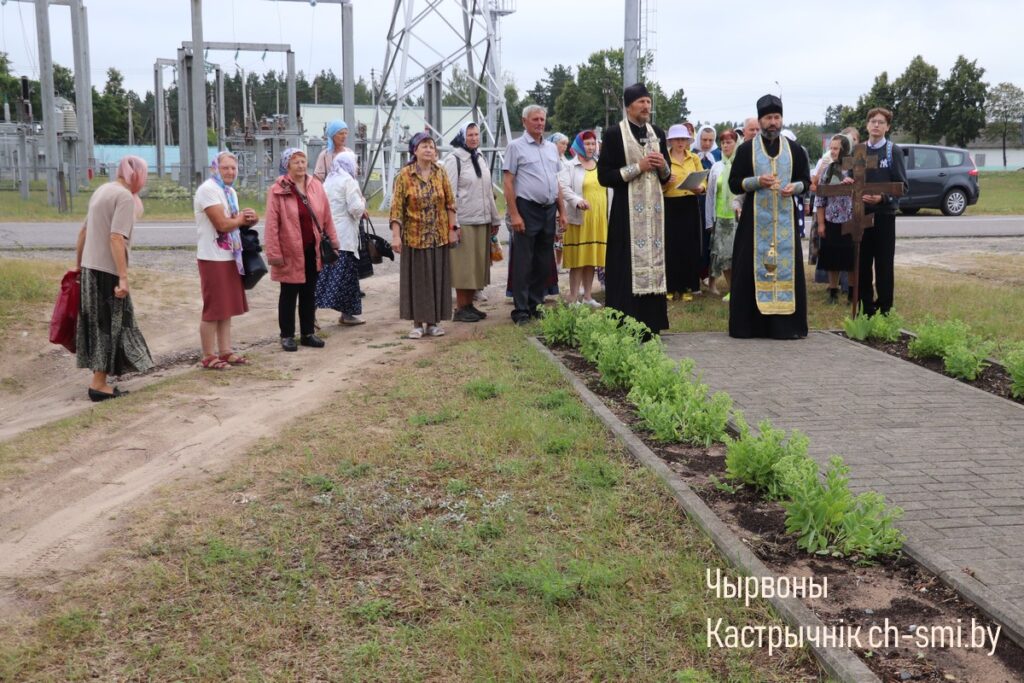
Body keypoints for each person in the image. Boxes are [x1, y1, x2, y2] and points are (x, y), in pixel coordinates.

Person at [727, 94, 810, 339]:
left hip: (785, 222)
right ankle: (749, 326)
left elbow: (806, 181)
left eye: (776, 117)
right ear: (760, 120)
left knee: (787, 269)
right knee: (748, 270)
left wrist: (795, 187)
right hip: (754, 223)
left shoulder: (795, 150)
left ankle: (786, 327)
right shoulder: (746, 150)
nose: (773, 122)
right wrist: (756, 182)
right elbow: (734, 183)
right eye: (768, 118)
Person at [74, 156, 154, 401]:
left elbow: (84, 231)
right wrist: (123, 277)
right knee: (109, 326)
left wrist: (78, 266)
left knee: (98, 325)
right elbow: (116, 237)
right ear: (137, 174)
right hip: (106, 272)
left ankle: (100, 380)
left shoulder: (103, 190)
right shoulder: (124, 197)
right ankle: (98, 384)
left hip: (90, 268)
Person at [597, 83, 671, 336]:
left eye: (648, 102)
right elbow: (604, 176)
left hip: (654, 214)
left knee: (654, 263)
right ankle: (624, 322)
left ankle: (652, 323)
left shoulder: (657, 133)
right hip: (625, 213)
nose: (646, 106)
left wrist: (662, 165)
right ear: (629, 106)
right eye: (641, 102)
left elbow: (667, 175)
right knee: (624, 264)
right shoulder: (613, 134)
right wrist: (638, 167)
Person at [265, 148, 339, 352]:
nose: (300, 165)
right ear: (287, 165)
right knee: (289, 294)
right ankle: (287, 335)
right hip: (289, 250)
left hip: (312, 249)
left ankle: (308, 333)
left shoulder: (316, 185)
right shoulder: (278, 189)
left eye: (303, 161)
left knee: (309, 292)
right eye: (295, 162)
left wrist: (333, 241)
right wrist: (274, 253)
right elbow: (272, 224)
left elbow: (326, 216)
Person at [502, 104, 567, 325]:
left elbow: (556, 182)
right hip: (526, 209)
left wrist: (562, 211)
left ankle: (536, 305)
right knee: (523, 261)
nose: (540, 123)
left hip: (548, 210)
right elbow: (508, 182)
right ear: (524, 121)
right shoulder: (515, 147)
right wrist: (514, 214)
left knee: (543, 260)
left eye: (542, 119)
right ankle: (521, 310)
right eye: (535, 119)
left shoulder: (551, 148)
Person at [194, 151, 259, 370]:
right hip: (212, 256)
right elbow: (222, 224)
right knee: (214, 307)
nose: (230, 172)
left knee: (226, 307)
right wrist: (240, 219)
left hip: (231, 255)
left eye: (233, 168)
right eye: (225, 168)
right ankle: (208, 355)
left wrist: (249, 220)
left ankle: (225, 350)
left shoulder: (229, 191)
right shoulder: (208, 190)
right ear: (215, 168)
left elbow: (234, 223)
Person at [390, 132, 457, 338]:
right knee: (418, 281)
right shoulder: (405, 175)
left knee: (437, 279)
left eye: (431, 146)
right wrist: (396, 236)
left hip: (438, 236)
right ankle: (418, 324)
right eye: (424, 146)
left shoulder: (440, 172)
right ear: (415, 150)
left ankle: (434, 323)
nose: (429, 150)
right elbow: (396, 209)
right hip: (415, 237)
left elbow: (450, 203)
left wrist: (452, 230)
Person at [443, 122, 501, 322]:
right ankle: (460, 308)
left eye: (476, 134)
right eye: (470, 135)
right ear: (462, 137)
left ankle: (469, 305)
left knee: (476, 265)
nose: (474, 138)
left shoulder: (479, 157)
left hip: (482, 219)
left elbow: (488, 190)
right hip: (465, 220)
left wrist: (494, 218)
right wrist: (454, 224)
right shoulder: (454, 159)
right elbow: (449, 194)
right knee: (464, 266)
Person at [859, 107, 908, 316]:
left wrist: (882, 198)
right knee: (862, 263)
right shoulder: (859, 150)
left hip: (884, 215)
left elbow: (902, 186)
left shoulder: (892, 151)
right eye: (873, 121)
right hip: (861, 215)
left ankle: (885, 309)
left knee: (884, 264)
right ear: (867, 125)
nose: (876, 125)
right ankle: (865, 308)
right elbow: (852, 176)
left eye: (881, 122)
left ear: (887, 127)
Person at [315, 151, 366, 325]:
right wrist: (363, 202)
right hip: (344, 237)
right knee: (335, 278)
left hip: (329, 236)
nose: (357, 167)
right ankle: (313, 312)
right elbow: (355, 209)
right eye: (355, 163)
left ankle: (347, 314)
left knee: (339, 277)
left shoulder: (328, 181)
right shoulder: (349, 181)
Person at [560, 130, 607, 307]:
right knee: (578, 260)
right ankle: (573, 297)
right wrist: (577, 201)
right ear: (580, 145)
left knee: (591, 259)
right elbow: (563, 187)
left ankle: (587, 296)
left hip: (598, 219)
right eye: (587, 144)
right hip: (580, 218)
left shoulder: (601, 164)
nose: (591, 147)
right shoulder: (570, 166)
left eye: (593, 144)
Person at [662, 123, 706, 301]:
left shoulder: (694, 158)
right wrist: (666, 182)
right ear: (670, 141)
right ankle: (671, 286)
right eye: (677, 139)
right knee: (671, 245)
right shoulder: (664, 159)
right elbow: (657, 184)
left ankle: (689, 286)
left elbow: (703, 179)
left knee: (689, 245)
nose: (680, 142)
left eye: (683, 139)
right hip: (670, 204)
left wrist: (700, 188)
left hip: (689, 203)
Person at [814, 134, 857, 305]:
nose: (832, 151)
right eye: (830, 148)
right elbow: (820, 198)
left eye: (836, 148)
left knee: (851, 258)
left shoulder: (855, 168)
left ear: (845, 150)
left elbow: (863, 191)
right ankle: (833, 292)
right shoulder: (829, 169)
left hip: (851, 221)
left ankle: (852, 294)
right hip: (831, 220)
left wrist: (852, 185)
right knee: (831, 258)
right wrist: (821, 223)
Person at [704, 129, 739, 302]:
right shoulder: (716, 167)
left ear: (736, 143)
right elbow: (710, 195)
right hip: (720, 217)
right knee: (722, 255)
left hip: (737, 217)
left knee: (735, 255)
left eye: (729, 142)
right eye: (723, 143)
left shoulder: (741, 165)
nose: (725, 146)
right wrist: (709, 220)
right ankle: (730, 288)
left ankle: (737, 288)